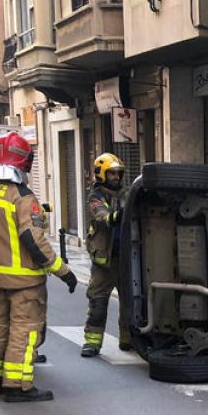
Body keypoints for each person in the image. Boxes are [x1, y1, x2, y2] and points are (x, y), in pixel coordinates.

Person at [0, 132, 76, 402]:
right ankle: (18, 387)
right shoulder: (22, 197)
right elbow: (33, 240)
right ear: (24, 163)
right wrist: (63, 271)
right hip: (24, 281)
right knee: (24, 330)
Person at [81, 153, 131, 357]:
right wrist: (117, 216)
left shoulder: (127, 193)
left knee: (131, 302)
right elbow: (102, 215)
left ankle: (129, 340)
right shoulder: (96, 196)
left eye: (118, 174)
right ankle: (92, 343)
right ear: (102, 174)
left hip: (127, 258)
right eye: (112, 174)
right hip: (104, 261)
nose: (116, 178)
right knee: (98, 302)